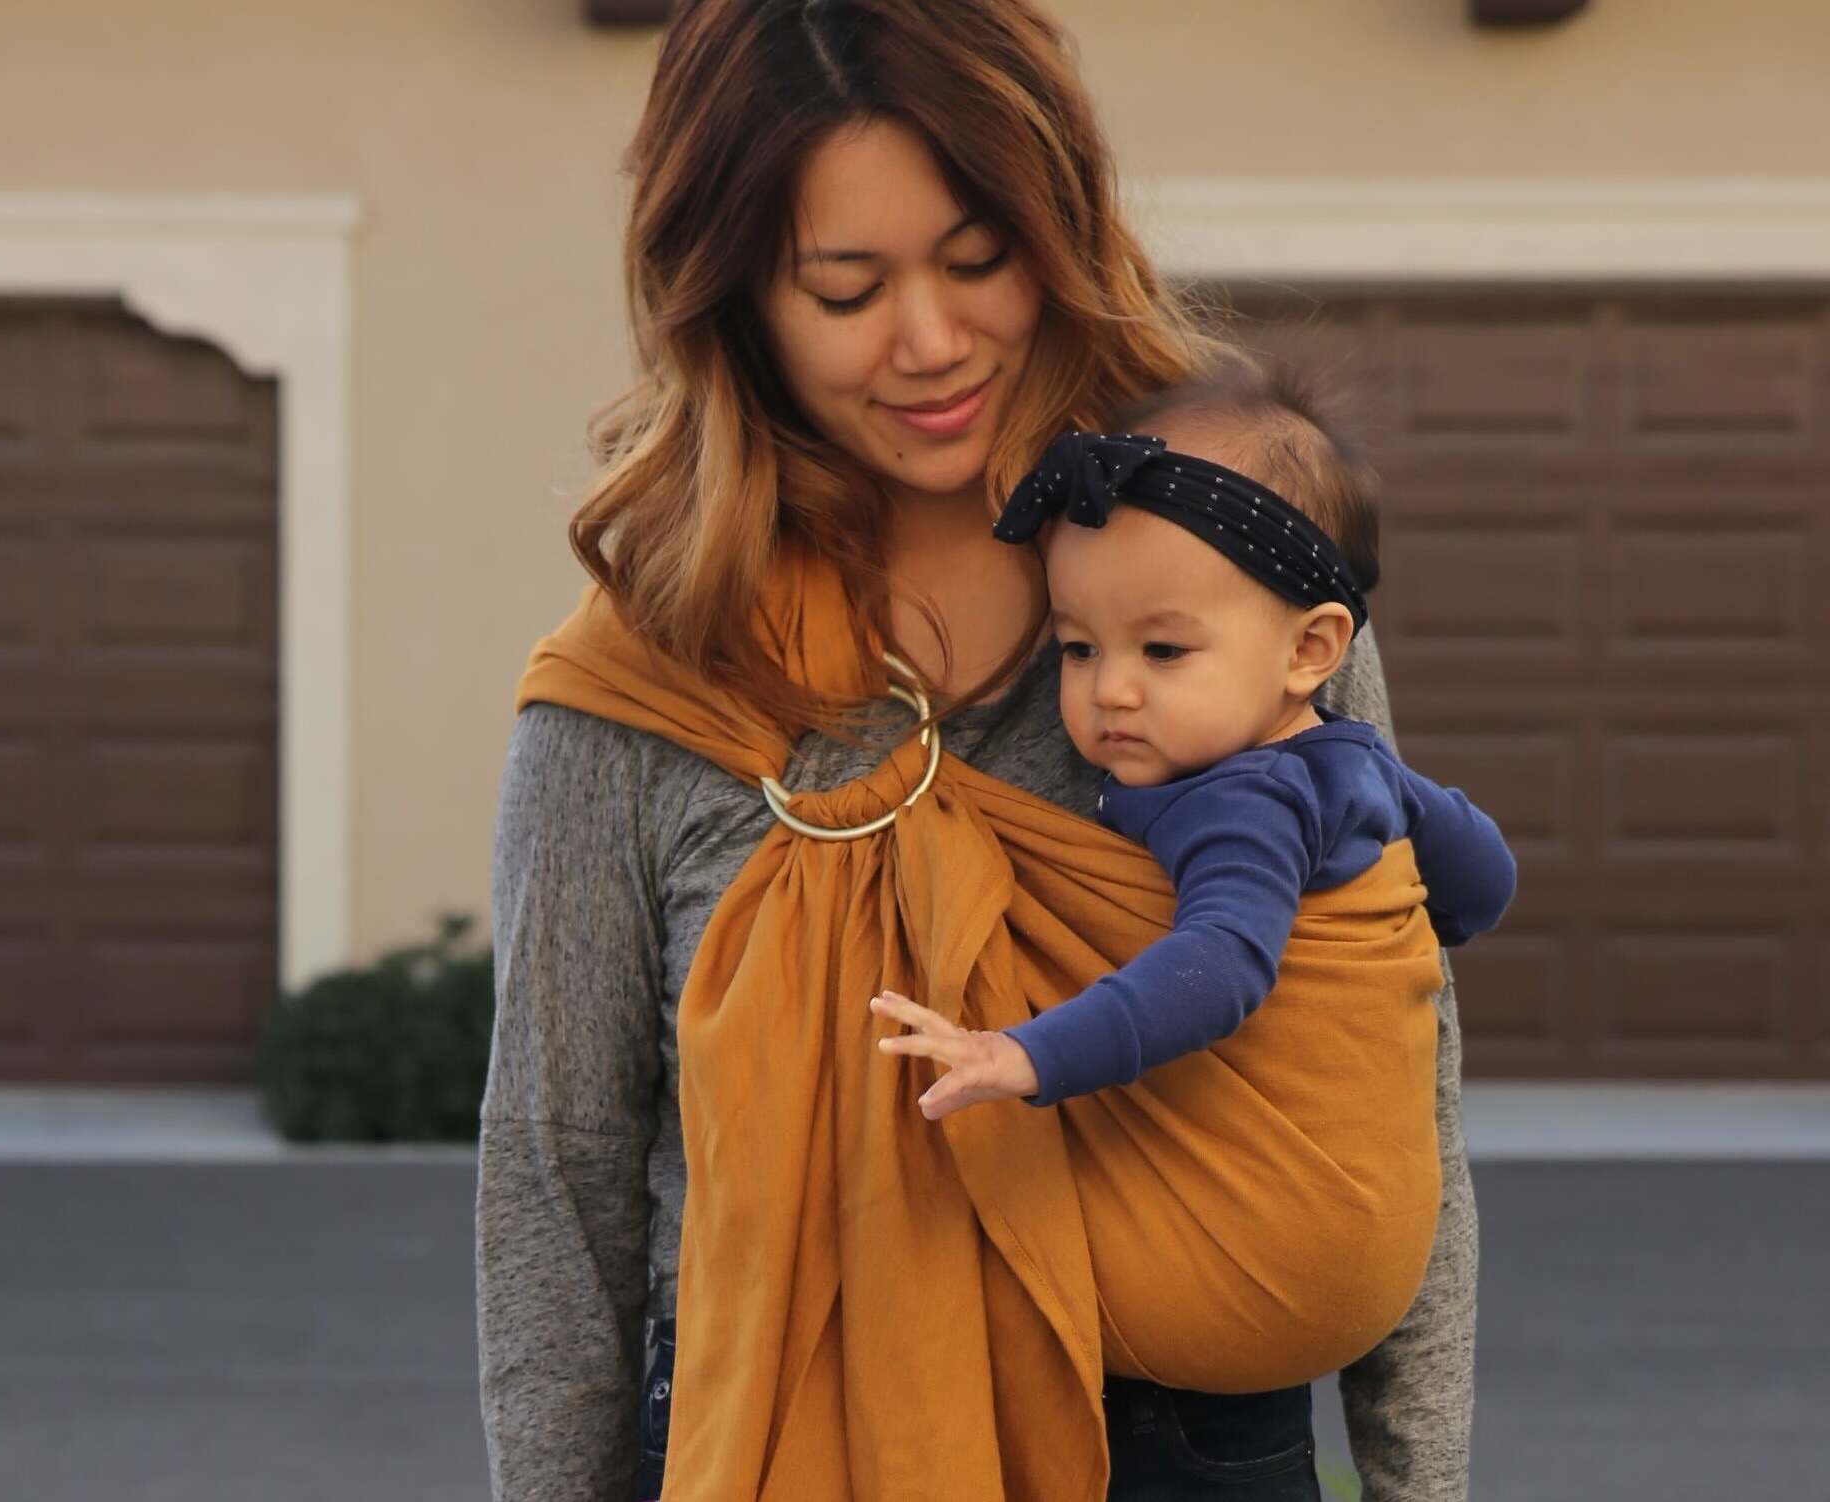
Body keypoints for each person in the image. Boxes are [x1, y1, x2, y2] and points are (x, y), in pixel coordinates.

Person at [478, 4, 1480, 1499]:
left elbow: (1397, 1062)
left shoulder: (1224, 594)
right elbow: (555, 1177)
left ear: (1058, 230)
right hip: (781, 1436)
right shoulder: (636, 691)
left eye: (973, 258)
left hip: (1185, 1440)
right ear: (731, 294)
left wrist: (1422, 1483)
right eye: (844, 285)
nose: (928, 342)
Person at [872, 370, 1517, 1115]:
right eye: (1078, 648)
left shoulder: (1243, 803)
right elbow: (1484, 876)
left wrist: (1025, 1052)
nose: (1109, 688)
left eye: (1163, 651)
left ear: (1310, 650)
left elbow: (1217, 968)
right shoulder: (1351, 758)